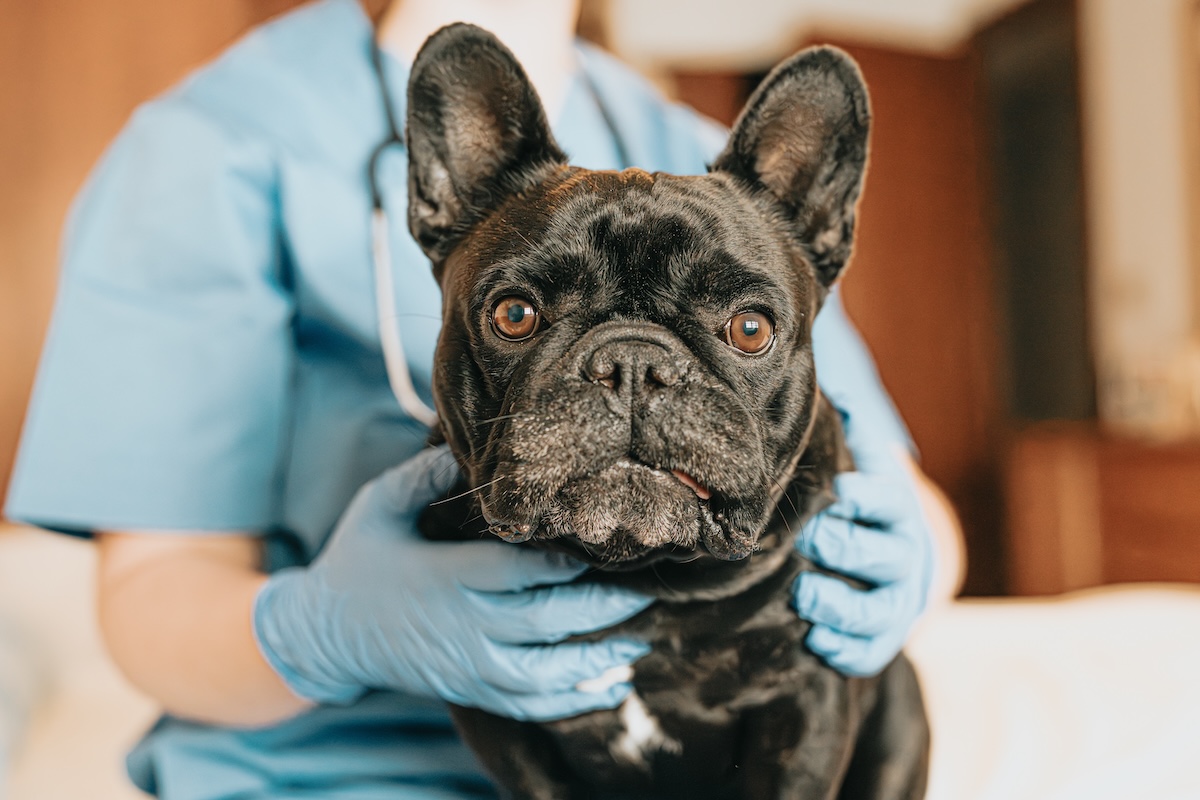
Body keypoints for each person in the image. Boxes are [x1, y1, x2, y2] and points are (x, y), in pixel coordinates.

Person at [4, 0, 961, 797]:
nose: (632, 378)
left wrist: (911, 558)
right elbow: (147, 603)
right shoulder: (212, 144)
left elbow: (902, 501)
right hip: (319, 772)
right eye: (515, 315)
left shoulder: (700, 153)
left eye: (739, 328)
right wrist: (325, 632)